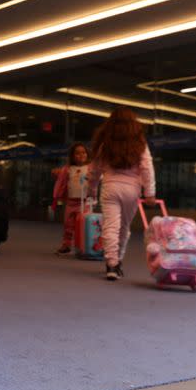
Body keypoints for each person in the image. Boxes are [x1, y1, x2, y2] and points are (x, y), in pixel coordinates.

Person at [87, 107, 156, 281]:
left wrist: (92, 189)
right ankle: (119, 260)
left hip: (110, 187)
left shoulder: (105, 143)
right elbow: (147, 167)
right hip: (132, 190)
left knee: (110, 226)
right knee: (124, 227)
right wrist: (150, 192)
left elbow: (94, 170)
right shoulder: (140, 144)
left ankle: (112, 263)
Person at [51, 143, 91, 255]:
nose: (81, 155)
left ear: (87, 154)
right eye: (77, 153)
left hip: (85, 202)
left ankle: (84, 246)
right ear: (72, 156)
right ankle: (66, 245)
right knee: (68, 225)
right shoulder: (68, 169)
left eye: (83, 152)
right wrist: (56, 173)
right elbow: (61, 181)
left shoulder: (91, 168)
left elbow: (99, 178)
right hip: (71, 201)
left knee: (83, 225)